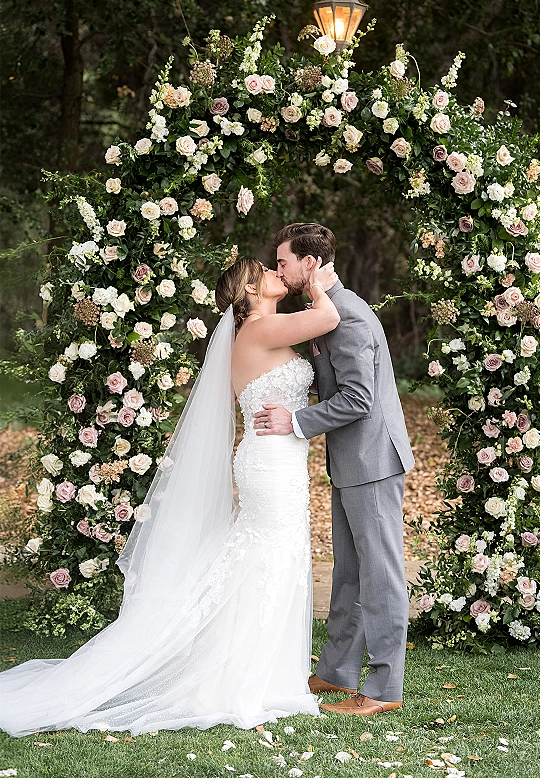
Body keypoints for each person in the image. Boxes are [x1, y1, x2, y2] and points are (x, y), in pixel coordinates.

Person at [0, 256, 339, 738]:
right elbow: (327, 318)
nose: (275, 274)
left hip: (277, 457)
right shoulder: (260, 330)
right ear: (249, 289)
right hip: (269, 461)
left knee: (270, 557)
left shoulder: (260, 330)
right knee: (267, 556)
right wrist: (321, 284)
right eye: (265, 270)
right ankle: (236, 678)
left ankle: (256, 670)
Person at [254, 222, 415, 717]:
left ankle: (385, 688)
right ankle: (337, 671)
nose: (278, 270)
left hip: (373, 462)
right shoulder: (327, 312)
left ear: (309, 263)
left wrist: (296, 420)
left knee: (381, 574)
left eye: (283, 262)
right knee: (348, 571)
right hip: (350, 462)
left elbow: (359, 399)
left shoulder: (349, 316)